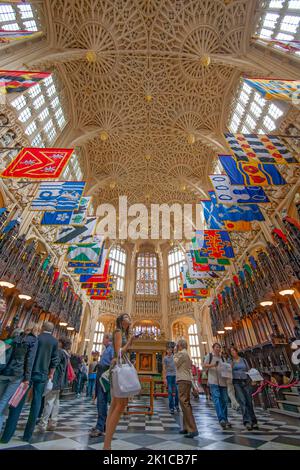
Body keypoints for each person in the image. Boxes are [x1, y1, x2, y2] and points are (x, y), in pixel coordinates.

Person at [0, 321, 59, 443]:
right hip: (42, 375)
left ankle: (7, 435)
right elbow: (54, 360)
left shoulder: (37, 337)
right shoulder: (54, 341)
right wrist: (51, 374)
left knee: (17, 403)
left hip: (28, 373)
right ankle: (27, 435)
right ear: (52, 330)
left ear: (42, 328)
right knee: (36, 404)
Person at [103, 313, 136, 450]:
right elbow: (119, 352)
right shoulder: (117, 332)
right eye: (127, 317)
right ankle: (107, 445)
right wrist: (130, 342)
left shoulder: (122, 332)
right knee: (120, 405)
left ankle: (107, 445)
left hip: (119, 369)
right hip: (119, 371)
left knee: (115, 406)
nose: (130, 318)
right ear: (122, 321)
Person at [0, 324, 38, 433]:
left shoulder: (14, 339)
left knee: (2, 401)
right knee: (4, 402)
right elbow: (29, 360)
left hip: (4, 371)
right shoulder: (32, 341)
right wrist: (27, 378)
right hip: (17, 374)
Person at [38, 337, 71, 432]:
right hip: (60, 382)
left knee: (48, 402)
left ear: (61, 343)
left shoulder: (60, 352)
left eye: (59, 341)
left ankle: (43, 424)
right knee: (56, 402)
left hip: (55, 380)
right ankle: (53, 422)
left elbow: (54, 364)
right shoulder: (66, 354)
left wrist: (50, 374)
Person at [89, 334, 114, 437]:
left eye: (104, 338)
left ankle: (100, 427)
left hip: (104, 374)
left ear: (108, 339)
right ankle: (101, 425)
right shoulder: (107, 348)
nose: (102, 339)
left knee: (102, 401)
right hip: (101, 373)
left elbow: (113, 361)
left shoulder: (111, 348)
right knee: (100, 401)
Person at [174, 339, 198, 438]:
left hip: (183, 380)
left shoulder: (181, 354)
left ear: (179, 346)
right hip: (187, 380)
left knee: (184, 403)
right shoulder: (186, 354)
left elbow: (176, 363)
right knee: (185, 403)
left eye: (177, 345)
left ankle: (192, 429)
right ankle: (186, 427)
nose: (176, 347)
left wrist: (175, 354)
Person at [203, 342, 231, 430]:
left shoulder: (222, 358)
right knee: (217, 399)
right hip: (213, 381)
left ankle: (225, 419)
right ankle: (221, 419)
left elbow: (226, 368)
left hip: (223, 381)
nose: (218, 349)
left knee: (224, 401)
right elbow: (204, 366)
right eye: (216, 347)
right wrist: (213, 365)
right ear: (213, 348)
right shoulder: (209, 356)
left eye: (219, 347)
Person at [230, 346, 258, 431]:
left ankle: (253, 420)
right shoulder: (230, 361)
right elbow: (227, 372)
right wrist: (230, 367)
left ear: (236, 351)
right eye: (231, 351)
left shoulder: (243, 360)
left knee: (249, 401)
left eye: (234, 350)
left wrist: (253, 379)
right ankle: (247, 421)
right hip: (236, 382)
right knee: (242, 401)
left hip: (246, 381)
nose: (233, 352)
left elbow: (248, 369)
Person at [163, 348, 179, 414]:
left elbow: (177, 366)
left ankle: (176, 405)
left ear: (172, 351)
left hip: (175, 375)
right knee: (170, 391)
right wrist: (164, 378)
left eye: (170, 350)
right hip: (169, 375)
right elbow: (164, 368)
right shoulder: (165, 358)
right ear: (166, 351)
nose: (169, 351)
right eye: (168, 350)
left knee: (176, 391)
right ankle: (171, 407)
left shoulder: (175, 356)